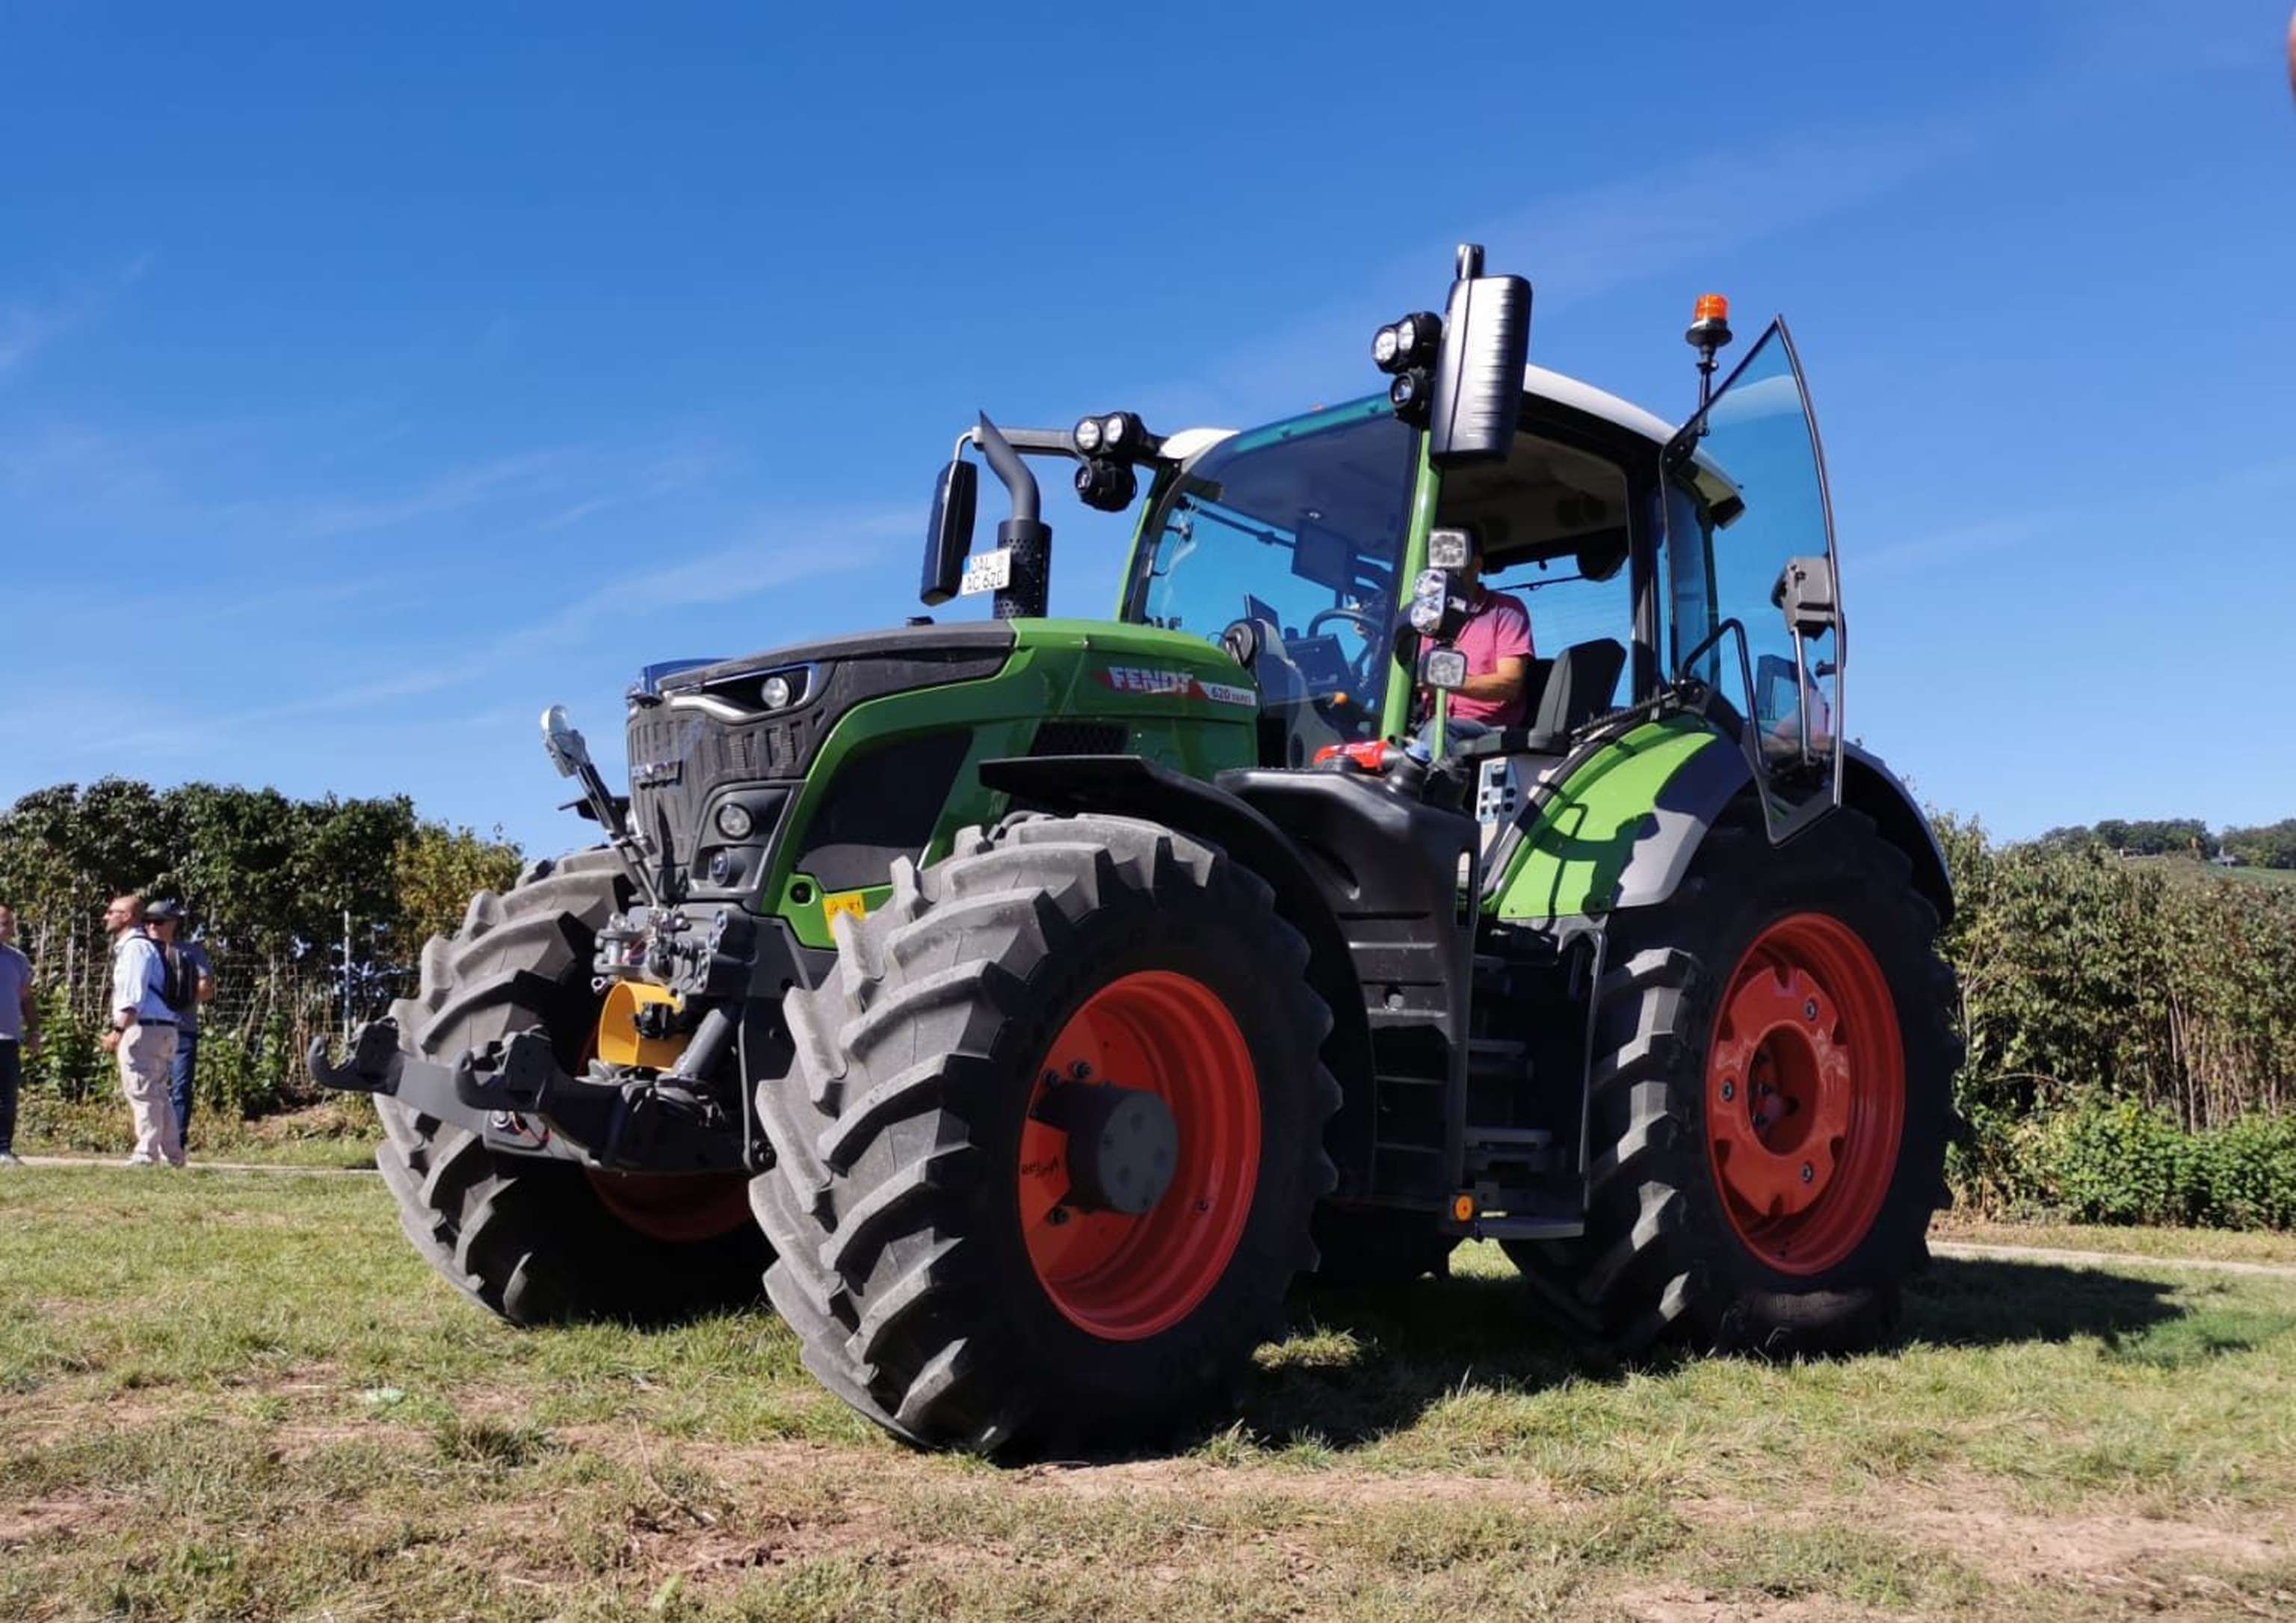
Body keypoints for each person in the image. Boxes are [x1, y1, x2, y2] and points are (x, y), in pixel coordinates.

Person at [1410, 528, 1534, 758]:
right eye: (1437, 565)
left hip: (1485, 727)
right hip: (1424, 724)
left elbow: (1509, 685)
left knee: (1440, 731)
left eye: (1452, 562)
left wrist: (1441, 680)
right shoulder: (1423, 617)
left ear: (1476, 564)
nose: (1444, 572)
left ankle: (1429, 791)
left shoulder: (1506, 611)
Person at [101, 893, 182, 1168]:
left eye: (112, 912)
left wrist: (117, 1030)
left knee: (142, 1091)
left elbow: (132, 996)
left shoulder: (135, 948)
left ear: (127, 916)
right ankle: (173, 1156)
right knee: (158, 1093)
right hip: (163, 1027)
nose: (106, 916)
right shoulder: (146, 946)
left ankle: (147, 1154)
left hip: (143, 1029)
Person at [144, 902, 214, 1143]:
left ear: (173, 923)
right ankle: (149, 1142)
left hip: (182, 1030)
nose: (152, 925)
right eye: (148, 921)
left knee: (180, 1089)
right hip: (148, 1030)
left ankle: (175, 1143)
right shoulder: (141, 952)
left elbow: (206, 990)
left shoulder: (191, 952)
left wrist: (180, 993)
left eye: (159, 921)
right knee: (150, 1089)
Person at [0, 903, 37, 1168]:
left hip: (7, 1039)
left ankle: (3, 1150)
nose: (10, 928)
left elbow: (26, 999)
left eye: (10, 922)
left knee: (6, 1097)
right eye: (4, 922)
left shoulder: (17, 959)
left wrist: (34, 1030)